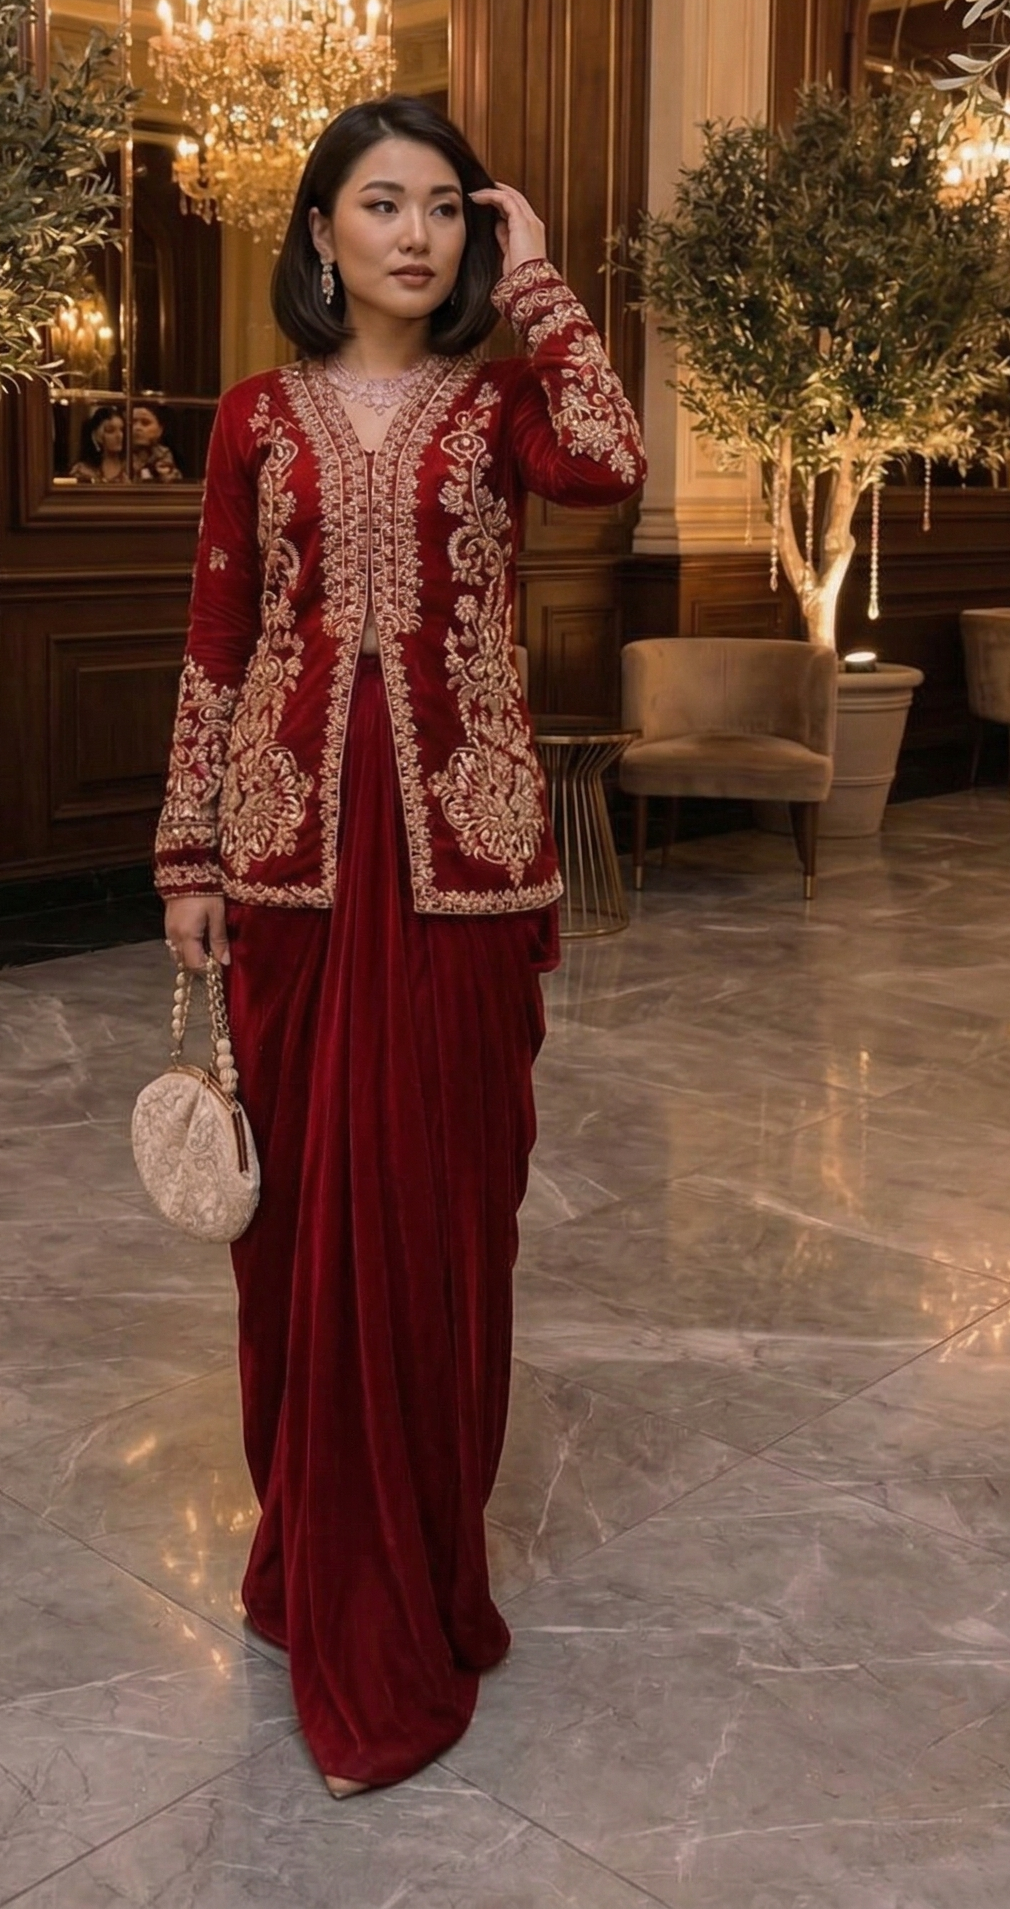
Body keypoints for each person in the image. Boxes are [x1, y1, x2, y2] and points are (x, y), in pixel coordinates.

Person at [154, 96, 645, 1796]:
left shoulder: (509, 401)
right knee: (297, 1234)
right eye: (386, 204)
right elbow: (222, 637)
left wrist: (554, 286)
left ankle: (423, 1580)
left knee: (446, 1220)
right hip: (289, 861)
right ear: (319, 234)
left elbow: (609, 464)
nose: (421, 234)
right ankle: (318, 1565)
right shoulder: (252, 418)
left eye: (449, 208)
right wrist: (190, 850)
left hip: (470, 867)